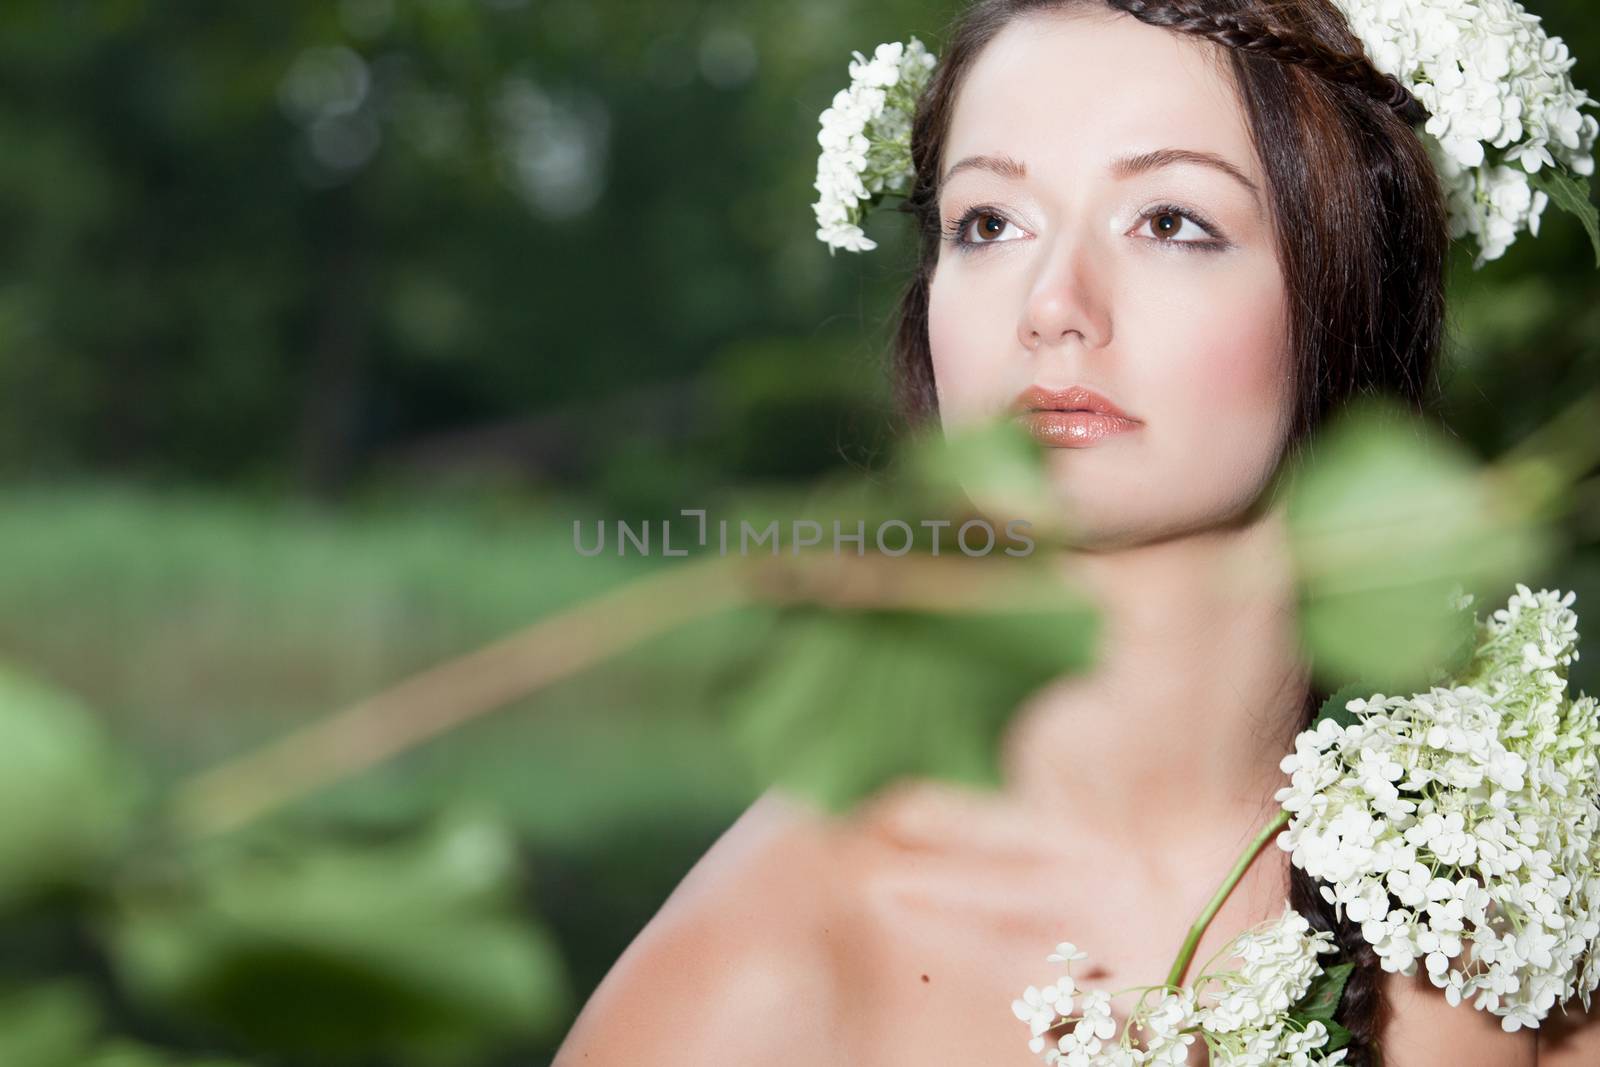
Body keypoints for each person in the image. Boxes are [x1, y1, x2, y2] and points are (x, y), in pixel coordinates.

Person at [553, 2, 1597, 1064]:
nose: (1052, 304)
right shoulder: (757, 977)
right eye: (990, 223)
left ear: (1351, 289)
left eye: (1168, 221)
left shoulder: (1524, 884)